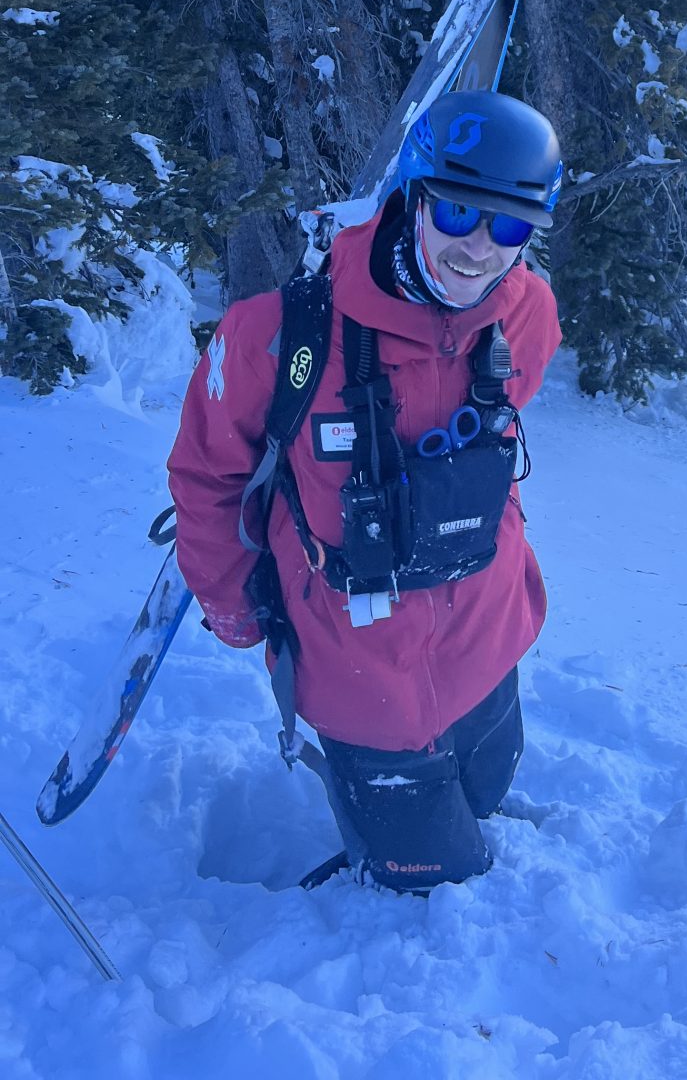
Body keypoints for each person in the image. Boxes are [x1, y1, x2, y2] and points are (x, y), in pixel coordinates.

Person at [168, 89, 564, 891]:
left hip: (489, 642)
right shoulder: (275, 337)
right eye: (457, 213)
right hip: (363, 680)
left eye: (510, 227)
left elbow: (504, 426)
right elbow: (207, 477)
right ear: (412, 196)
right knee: (434, 883)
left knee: (488, 788)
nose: (480, 249)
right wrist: (237, 609)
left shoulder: (528, 313)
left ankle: (463, 799)